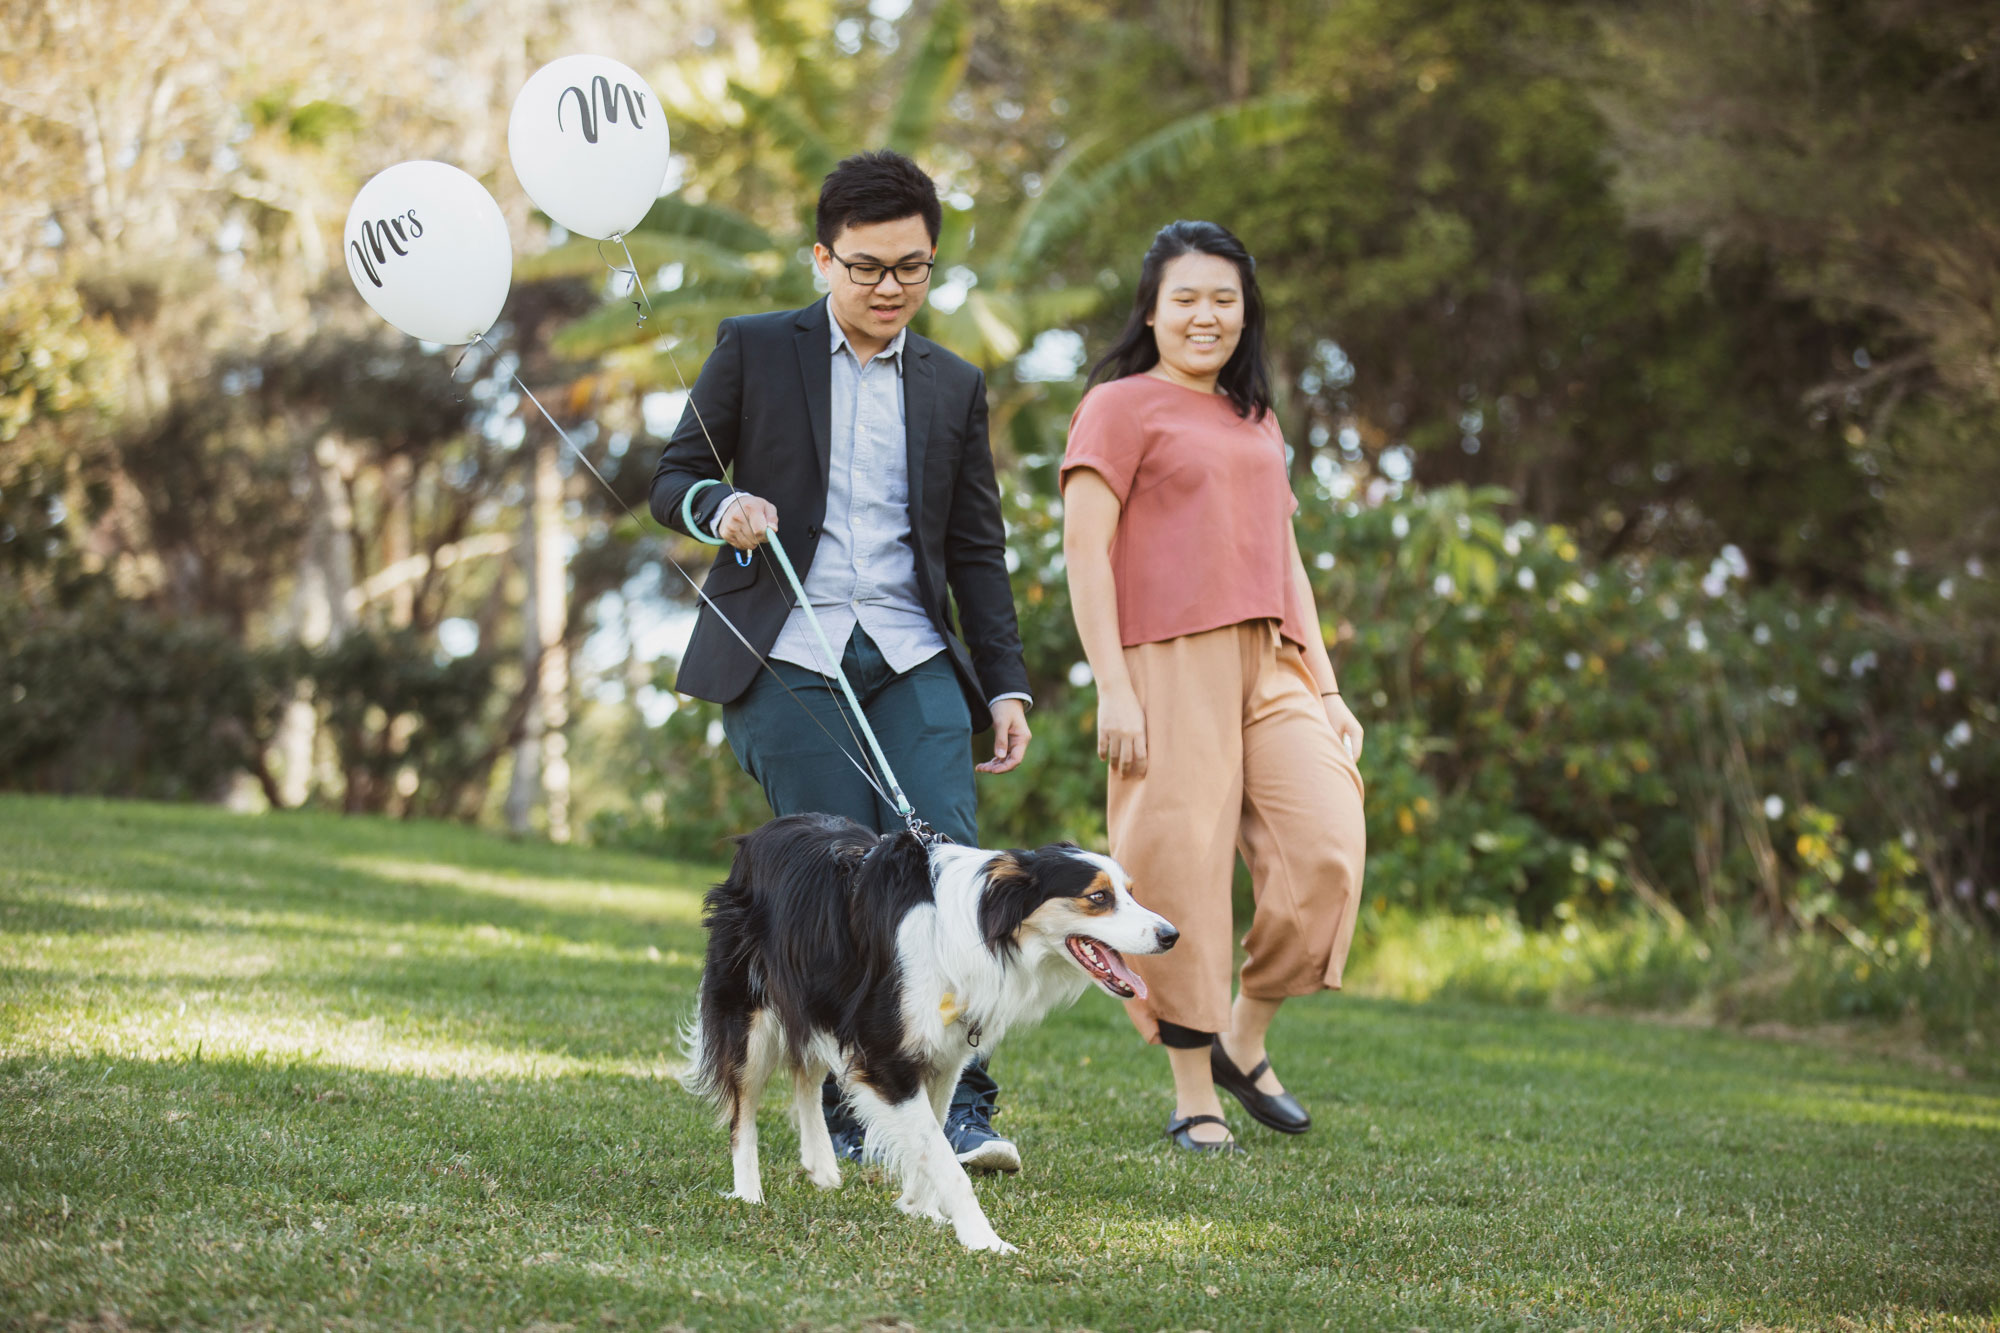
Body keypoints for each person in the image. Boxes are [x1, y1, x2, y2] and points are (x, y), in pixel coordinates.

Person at [651, 150, 1035, 1172]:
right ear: (822, 257)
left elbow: (972, 548)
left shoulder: (953, 384)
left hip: (912, 655)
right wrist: (718, 509)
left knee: (952, 869)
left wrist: (1002, 682)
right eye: (866, 267)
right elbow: (674, 475)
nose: (888, 288)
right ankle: (860, 1109)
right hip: (786, 652)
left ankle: (963, 1110)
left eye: (911, 267)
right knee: (833, 881)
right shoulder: (754, 350)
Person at [1059, 220, 1367, 1153]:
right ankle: (1194, 1090)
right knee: (1180, 873)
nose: (1206, 315)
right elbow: (1084, 552)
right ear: (1151, 310)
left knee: (1327, 846)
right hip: (1166, 660)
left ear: (1246, 312)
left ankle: (1247, 1035)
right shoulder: (1118, 405)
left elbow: (1288, 558)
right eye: (1186, 297)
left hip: (1272, 659)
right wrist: (1113, 684)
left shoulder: (1255, 418)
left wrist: (1327, 684)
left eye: (1225, 298)